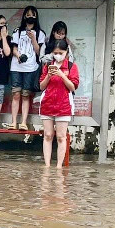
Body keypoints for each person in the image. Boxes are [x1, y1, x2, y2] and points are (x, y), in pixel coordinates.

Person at [38, 39, 79, 168]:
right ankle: (47, 165)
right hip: (47, 104)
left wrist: (62, 74)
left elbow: (73, 87)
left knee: (61, 136)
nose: (58, 55)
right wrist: (49, 76)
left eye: (60, 52)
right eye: (55, 52)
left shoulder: (72, 66)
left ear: (66, 52)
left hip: (64, 105)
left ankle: (59, 167)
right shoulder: (47, 66)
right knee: (48, 135)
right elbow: (41, 86)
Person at [7, 5, 46, 130]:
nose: (31, 17)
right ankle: (13, 122)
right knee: (16, 94)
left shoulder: (40, 33)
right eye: (28, 14)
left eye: (33, 15)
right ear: (24, 16)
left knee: (25, 95)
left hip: (31, 67)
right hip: (16, 67)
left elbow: (39, 52)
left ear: (36, 16)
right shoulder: (17, 31)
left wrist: (33, 38)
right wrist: (18, 56)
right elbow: (14, 48)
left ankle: (23, 122)